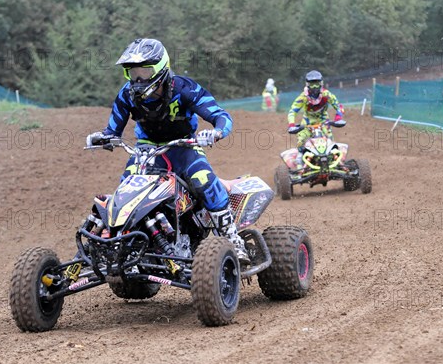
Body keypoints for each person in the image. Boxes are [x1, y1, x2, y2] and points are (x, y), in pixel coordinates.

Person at [86, 38, 249, 263]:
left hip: (183, 146)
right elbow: (113, 129)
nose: (138, 78)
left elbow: (220, 116)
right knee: (126, 189)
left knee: (203, 179)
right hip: (147, 150)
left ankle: (232, 238)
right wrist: (103, 137)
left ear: (161, 68)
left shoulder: (185, 88)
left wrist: (217, 132)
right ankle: (119, 243)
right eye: (132, 73)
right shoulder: (126, 94)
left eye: (144, 70)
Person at [287, 70, 346, 155]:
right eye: (312, 84)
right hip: (307, 122)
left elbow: (339, 106)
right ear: (307, 84)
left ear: (321, 83)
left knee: (330, 142)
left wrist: (338, 118)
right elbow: (292, 111)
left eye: (317, 83)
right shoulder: (303, 96)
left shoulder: (326, 94)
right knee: (301, 141)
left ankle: (336, 161)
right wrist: (291, 125)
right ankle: (300, 162)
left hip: (323, 121)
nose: (314, 87)